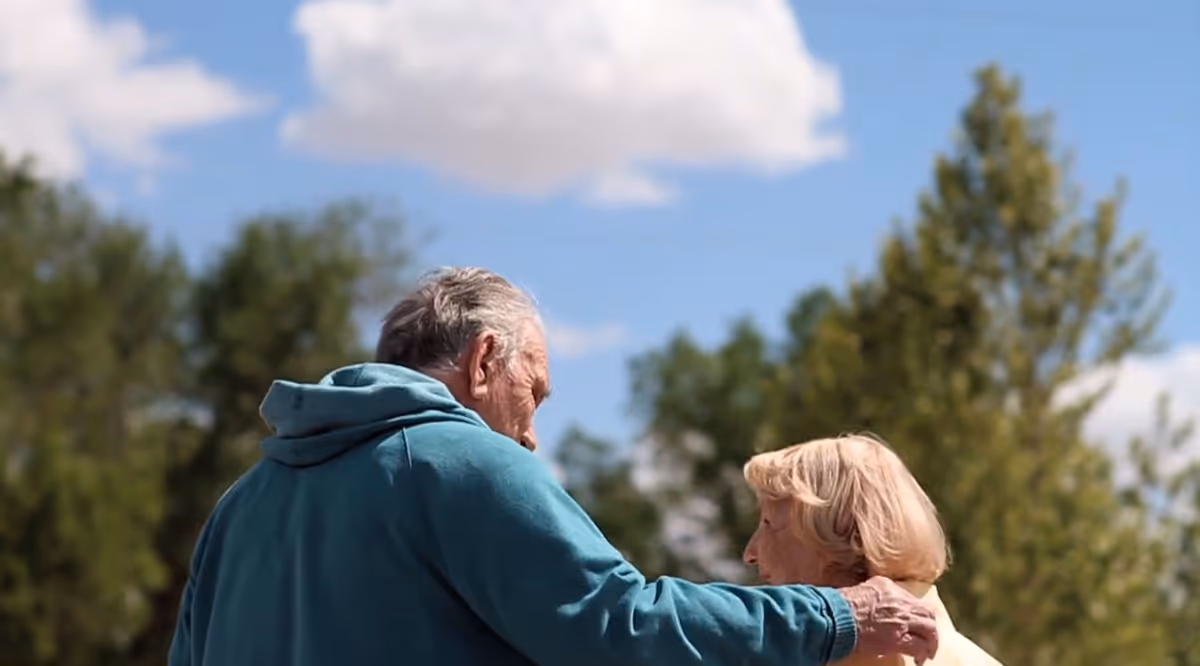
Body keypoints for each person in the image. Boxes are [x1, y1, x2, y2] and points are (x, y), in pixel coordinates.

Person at [167, 267, 939, 666]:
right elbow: (620, 629)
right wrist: (838, 617)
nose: (532, 434)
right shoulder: (462, 463)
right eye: (533, 393)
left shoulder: (240, 507)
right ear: (483, 361)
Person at [742, 434, 1004, 666]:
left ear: (847, 535)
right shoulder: (972, 657)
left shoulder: (855, 655)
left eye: (769, 523)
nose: (750, 553)